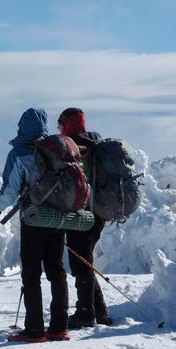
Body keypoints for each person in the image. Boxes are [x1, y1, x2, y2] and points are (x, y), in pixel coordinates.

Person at [0, 108, 69, 343]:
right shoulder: (59, 149)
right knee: (56, 271)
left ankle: (35, 330)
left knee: (31, 273)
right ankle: (59, 327)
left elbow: (9, 190)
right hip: (58, 218)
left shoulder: (19, 153)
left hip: (33, 218)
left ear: (22, 127)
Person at [57, 107, 113, 328]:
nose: (59, 129)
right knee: (85, 260)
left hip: (81, 213)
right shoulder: (96, 143)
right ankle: (100, 311)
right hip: (100, 211)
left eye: (61, 124)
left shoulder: (71, 146)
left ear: (67, 124)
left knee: (80, 263)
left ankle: (85, 313)